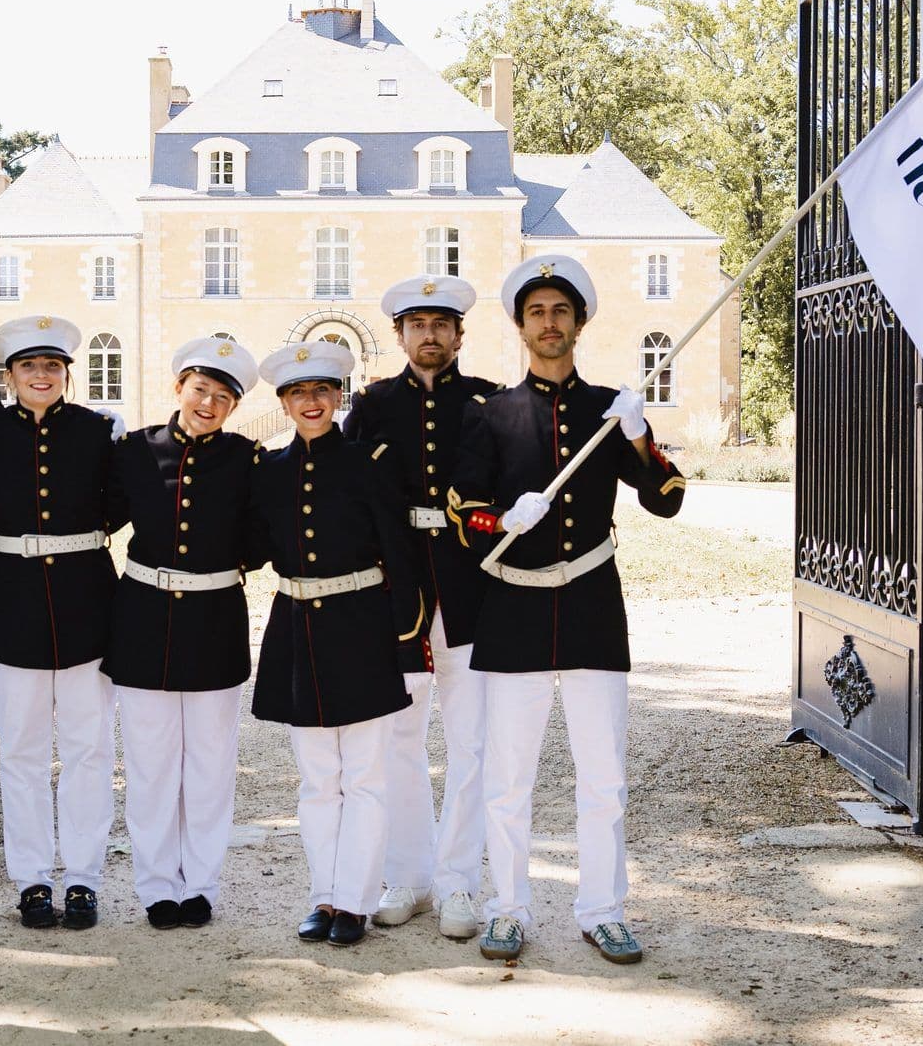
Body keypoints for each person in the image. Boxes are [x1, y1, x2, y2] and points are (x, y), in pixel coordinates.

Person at [447, 254, 687, 965]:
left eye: (560, 311)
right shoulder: (489, 413)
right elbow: (465, 513)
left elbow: (667, 497)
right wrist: (503, 521)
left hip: (590, 602)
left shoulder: (607, 408)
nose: (549, 323)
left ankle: (603, 908)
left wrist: (640, 435)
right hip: (513, 609)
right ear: (521, 327)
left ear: (579, 322)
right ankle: (508, 908)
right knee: (508, 775)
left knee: (604, 772)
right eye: (536, 312)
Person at [250, 339, 425, 948]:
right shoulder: (268, 470)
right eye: (298, 393)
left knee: (368, 778)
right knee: (317, 780)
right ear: (283, 402)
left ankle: (355, 902)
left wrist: (407, 641)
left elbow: (399, 558)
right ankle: (323, 895)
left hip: (363, 629)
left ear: (339, 396)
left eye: (322, 390)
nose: (311, 401)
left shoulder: (368, 463)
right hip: (297, 631)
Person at [342, 273, 499, 940]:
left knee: (472, 738)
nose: (429, 334)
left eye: (441, 323)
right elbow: (346, 489)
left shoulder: (490, 402)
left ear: (460, 333)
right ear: (401, 334)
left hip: (471, 583)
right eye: (417, 323)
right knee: (399, 737)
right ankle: (407, 873)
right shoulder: (373, 405)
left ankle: (460, 878)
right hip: (397, 584)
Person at [0, 314, 124, 932]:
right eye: (29, 366)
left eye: (53, 366)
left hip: (88, 602)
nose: (42, 375)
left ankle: (82, 878)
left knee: (88, 750)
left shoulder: (97, 431)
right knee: (21, 753)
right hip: (15, 605)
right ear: (10, 375)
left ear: (67, 374)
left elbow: (126, 502)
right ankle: (30, 879)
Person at [104, 337, 262, 931]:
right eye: (200, 390)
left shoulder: (246, 460)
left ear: (233, 407)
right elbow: (98, 514)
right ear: (179, 388)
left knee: (210, 765)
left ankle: (200, 884)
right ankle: (155, 887)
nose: (208, 403)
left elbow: (262, 535)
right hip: (143, 621)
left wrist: (229, 566)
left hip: (215, 623)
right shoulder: (135, 451)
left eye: (223, 397)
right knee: (149, 765)